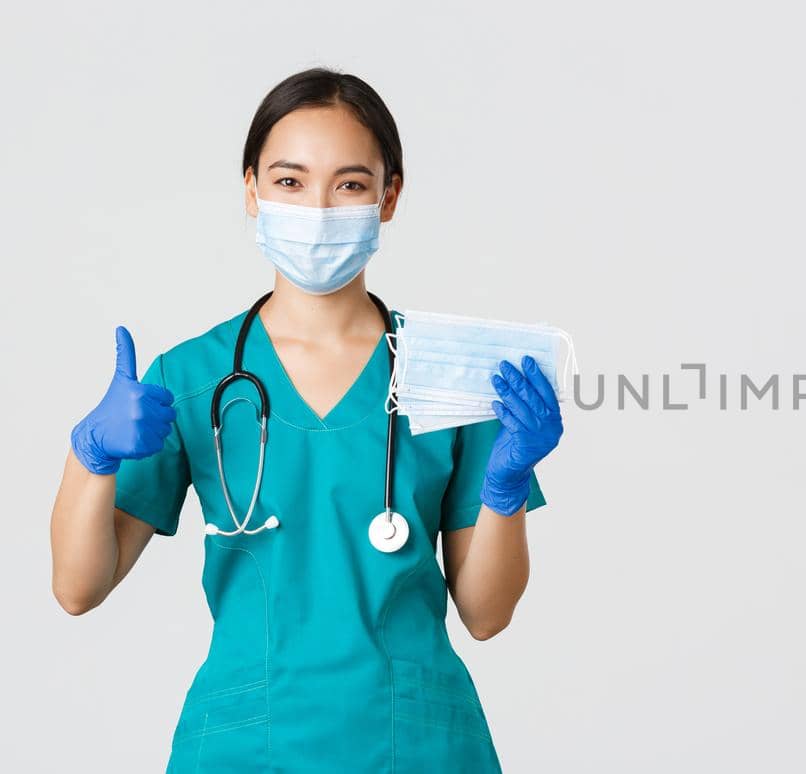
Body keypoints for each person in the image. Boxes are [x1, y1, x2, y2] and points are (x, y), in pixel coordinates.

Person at [47, 67, 562, 773]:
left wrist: (505, 486)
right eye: (290, 181)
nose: (317, 208)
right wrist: (91, 457)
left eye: (349, 183)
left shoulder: (450, 377)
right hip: (245, 745)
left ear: (390, 196)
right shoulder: (191, 379)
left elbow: (487, 613)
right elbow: (79, 589)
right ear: (252, 188)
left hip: (414, 747)